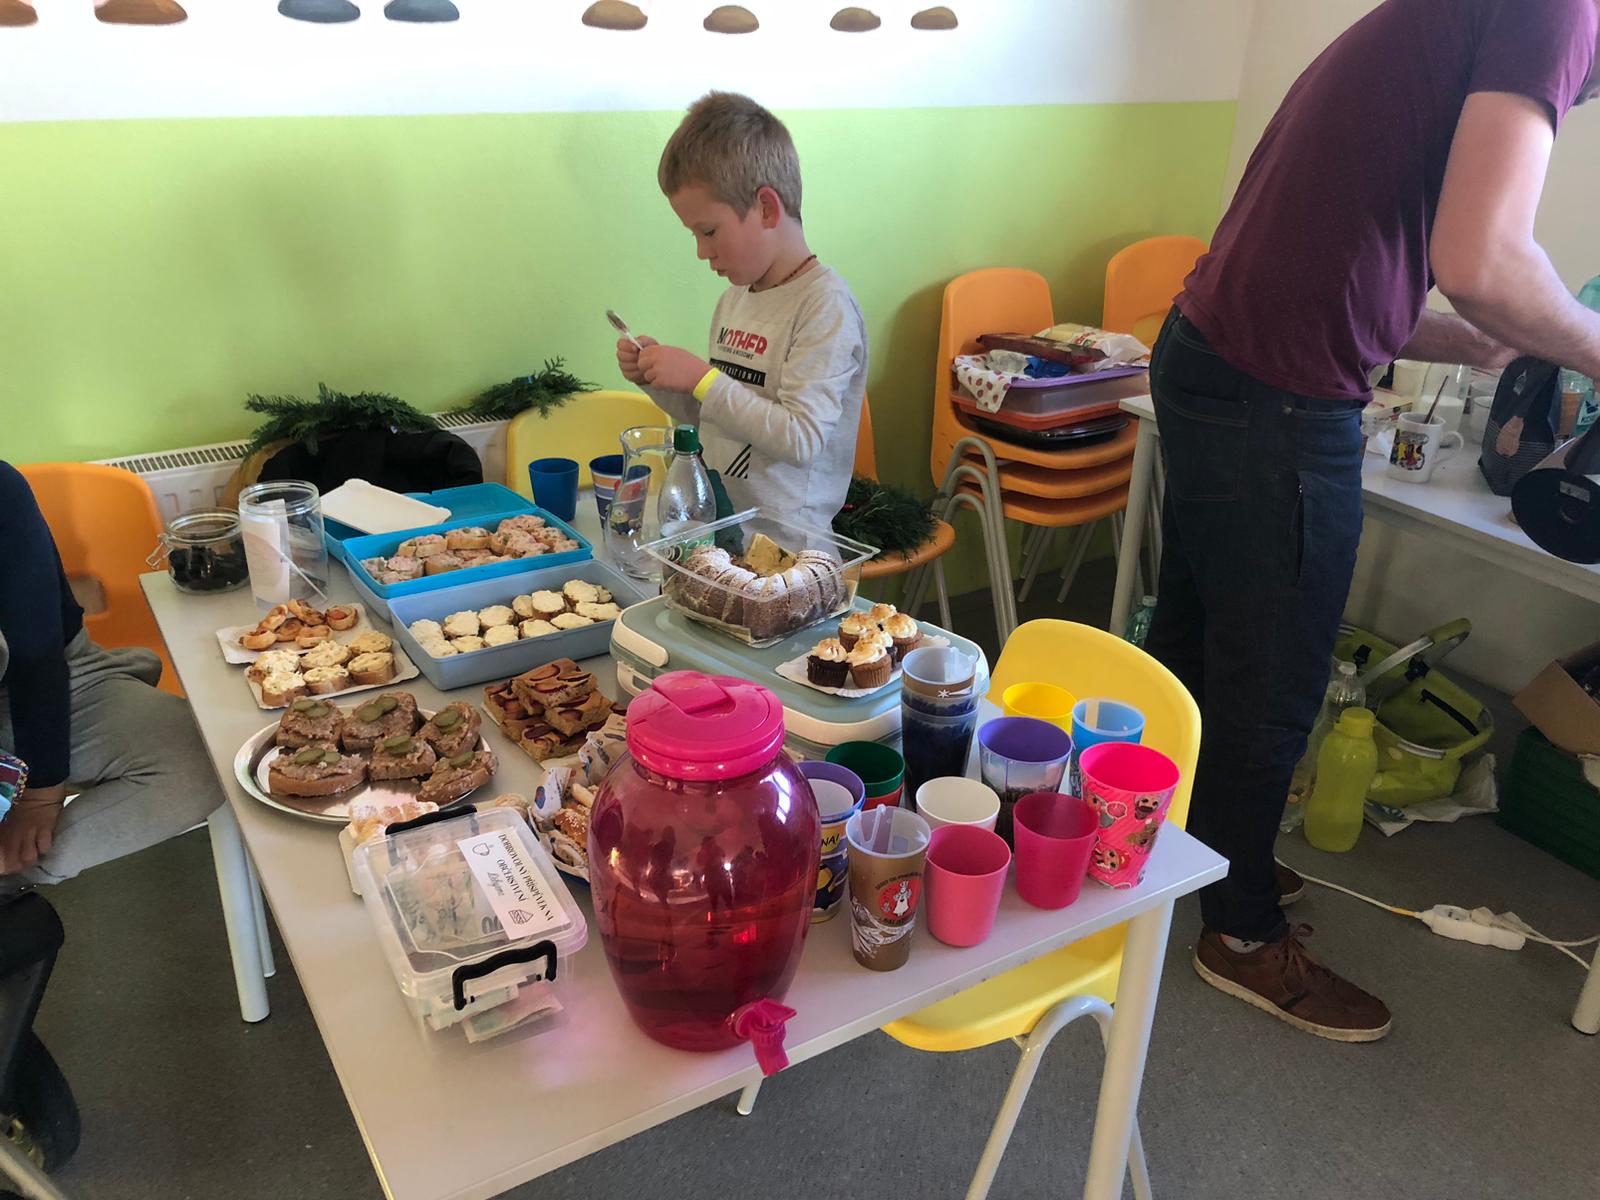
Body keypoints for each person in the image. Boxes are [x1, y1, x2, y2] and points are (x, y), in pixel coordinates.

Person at [1146, 0, 1600, 1042]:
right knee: (1273, 682)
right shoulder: (1558, 7)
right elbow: (1483, 261)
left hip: (1212, 351)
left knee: (1199, 644)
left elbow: (1347, 255)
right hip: (1273, 391)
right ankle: (1241, 934)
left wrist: (1468, 340)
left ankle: (1177, 849)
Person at [616, 91, 869, 532]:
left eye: (709, 231)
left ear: (767, 209)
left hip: (791, 549)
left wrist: (702, 378)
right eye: (694, 235)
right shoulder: (734, 300)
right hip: (726, 534)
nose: (701, 251)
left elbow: (801, 439)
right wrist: (661, 382)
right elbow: (720, 419)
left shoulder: (824, 305)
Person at [0, 462, 221, 882]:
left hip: (48, 676)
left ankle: (19, 873)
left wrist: (40, 794)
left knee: (203, 757)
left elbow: (36, 653)